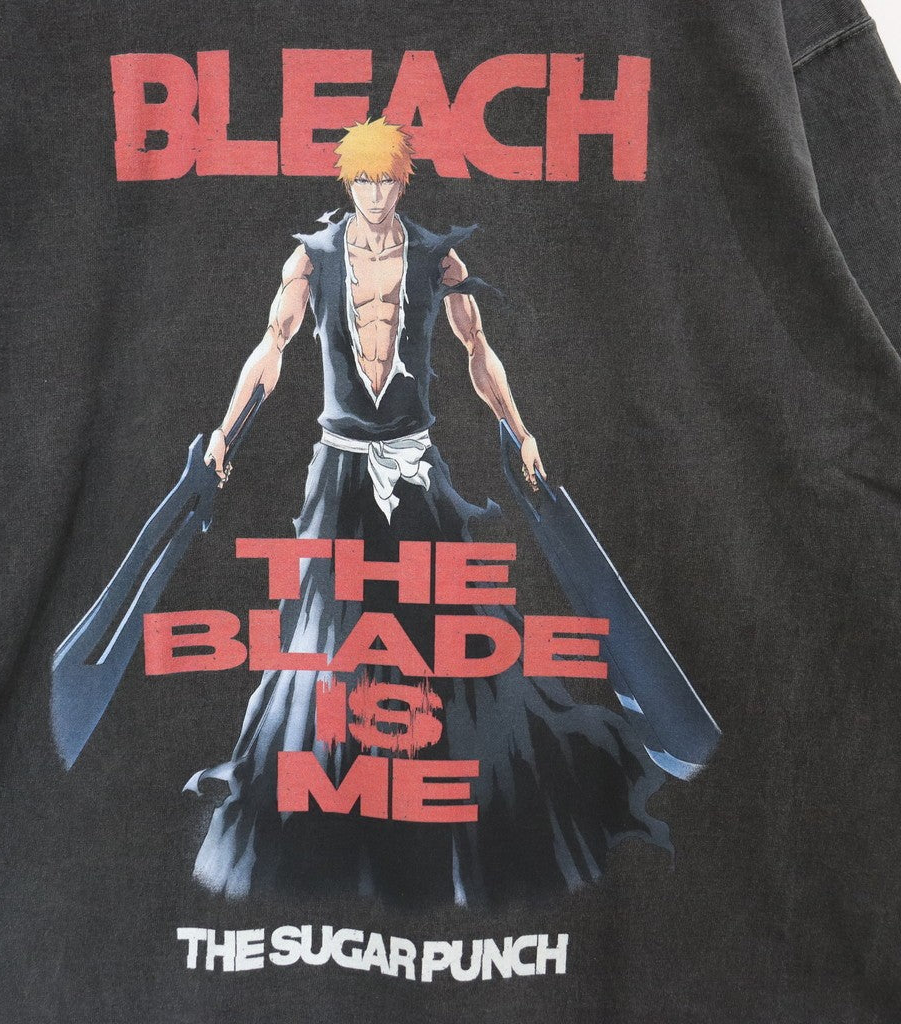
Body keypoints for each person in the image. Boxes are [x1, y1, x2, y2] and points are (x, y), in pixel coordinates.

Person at [184, 117, 672, 906]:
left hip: (413, 463)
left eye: (387, 179)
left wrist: (519, 429)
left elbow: (479, 352)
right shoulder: (313, 257)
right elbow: (272, 345)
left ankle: (463, 823)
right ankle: (320, 827)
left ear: (402, 180)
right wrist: (226, 430)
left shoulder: (436, 258)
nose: (376, 193)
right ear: (348, 181)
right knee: (322, 641)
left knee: (457, 638)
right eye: (363, 180)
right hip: (340, 466)